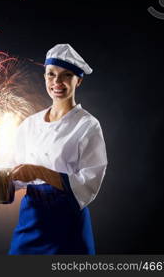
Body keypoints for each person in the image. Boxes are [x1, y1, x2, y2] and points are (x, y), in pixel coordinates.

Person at [8, 43, 107, 255]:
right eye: (51, 74)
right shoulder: (29, 124)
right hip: (30, 221)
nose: (57, 82)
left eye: (66, 75)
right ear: (44, 77)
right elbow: (13, 173)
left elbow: (89, 183)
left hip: (67, 226)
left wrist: (38, 172)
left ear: (78, 80)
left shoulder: (88, 125)